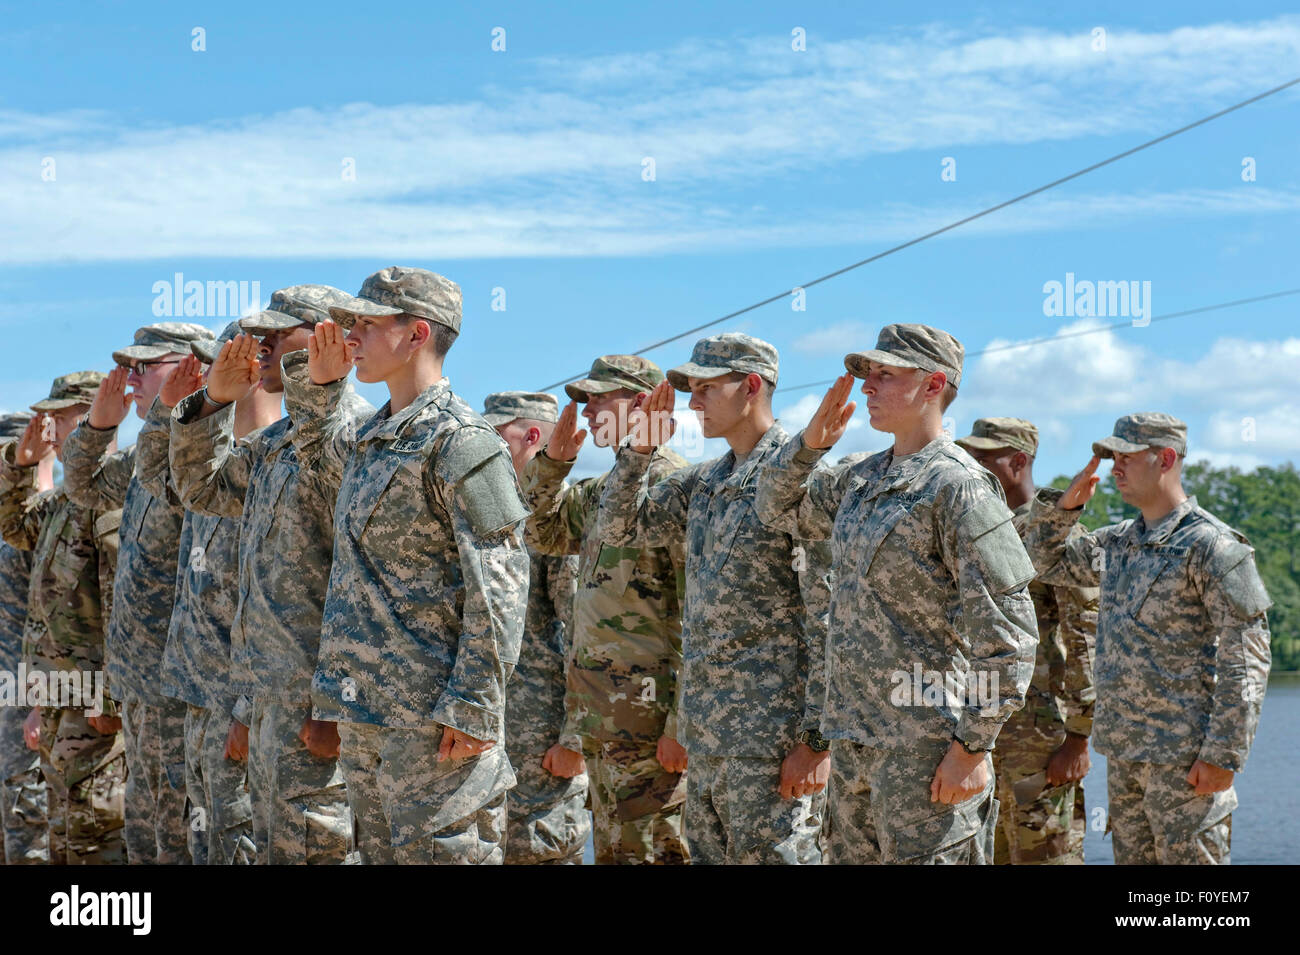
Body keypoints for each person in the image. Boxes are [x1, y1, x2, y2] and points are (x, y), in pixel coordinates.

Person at [754, 323, 1038, 864]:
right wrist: (810, 444)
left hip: (929, 752)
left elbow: (1009, 631)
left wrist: (972, 747)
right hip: (855, 746)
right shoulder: (858, 479)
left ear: (933, 386)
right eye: (867, 375)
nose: (867, 388)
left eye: (885, 375)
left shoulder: (959, 486)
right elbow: (776, 508)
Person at [293, 266, 530, 864]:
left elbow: (499, 587)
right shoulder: (371, 439)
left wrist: (474, 706)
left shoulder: (462, 442)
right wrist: (321, 391)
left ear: (417, 334)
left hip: (433, 724)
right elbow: (318, 484)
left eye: (369, 325)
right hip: (368, 713)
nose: (353, 338)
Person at [594, 334, 835, 864]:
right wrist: (639, 449)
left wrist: (816, 740)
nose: (693, 401)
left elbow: (828, 619)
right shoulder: (704, 483)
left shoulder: (801, 480)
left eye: (706, 387)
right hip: (710, 737)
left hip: (773, 741)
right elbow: (616, 529)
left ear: (751, 386)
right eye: (690, 389)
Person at [169, 288, 373, 864]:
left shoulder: (359, 435)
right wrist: (212, 403)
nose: (262, 346)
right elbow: (201, 489)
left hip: (318, 706)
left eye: (277, 335)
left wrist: (334, 706)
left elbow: (358, 581)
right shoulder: (274, 444)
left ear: (327, 335)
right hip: (267, 701)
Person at [1023, 413, 1272, 865]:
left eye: (1127, 457)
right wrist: (1063, 512)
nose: (1115, 468)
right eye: (1111, 457)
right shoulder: (1116, 543)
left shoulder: (1212, 546)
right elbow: (1040, 561)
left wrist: (1223, 753)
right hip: (1125, 757)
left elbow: (1248, 658)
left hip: (1186, 762)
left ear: (1167, 458)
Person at [523, 355, 690, 865]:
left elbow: (698, 613)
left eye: (600, 397)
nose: (588, 408)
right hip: (603, 718)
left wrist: (680, 724)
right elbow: (538, 531)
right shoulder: (600, 491)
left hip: (650, 721)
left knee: (655, 854)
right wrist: (553, 464)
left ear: (641, 403)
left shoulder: (675, 487)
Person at [61, 322, 213, 864]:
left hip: (182, 684)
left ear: (193, 365)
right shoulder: (147, 452)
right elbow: (81, 485)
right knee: (146, 837)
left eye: (147, 366)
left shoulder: (210, 450)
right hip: (140, 681)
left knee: (180, 837)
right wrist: (100, 423)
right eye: (130, 368)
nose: (133, 379)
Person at [138, 322, 281, 863]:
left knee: (241, 847)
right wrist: (178, 410)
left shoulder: (275, 461)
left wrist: (246, 707)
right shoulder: (206, 464)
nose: (201, 377)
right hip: (198, 696)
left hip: (247, 704)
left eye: (216, 364)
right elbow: (155, 476)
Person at [956, 417, 1098, 864]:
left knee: (1047, 857)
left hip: (1041, 742)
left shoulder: (1060, 536)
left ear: (1018, 462)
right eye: (969, 455)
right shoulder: (981, 533)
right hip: (981, 739)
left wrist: (1078, 739)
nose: (971, 466)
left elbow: (1085, 636)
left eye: (983, 457)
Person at [0, 372, 126, 864]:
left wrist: (111, 699)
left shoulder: (108, 495)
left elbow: (120, 604)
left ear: (97, 417)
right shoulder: (59, 504)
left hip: (92, 701)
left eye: (61, 419)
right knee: (64, 835)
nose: (49, 430)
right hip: (57, 701)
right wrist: (21, 464)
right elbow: (12, 523)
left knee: (98, 831)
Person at [481, 391, 590, 865]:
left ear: (530, 437)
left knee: (541, 851)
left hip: (543, 743)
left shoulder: (558, 522)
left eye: (494, 436)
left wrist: (575, 740)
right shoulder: (489, 514)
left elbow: (588, 637)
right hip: (492, 739)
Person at [0, 412, 49, 865]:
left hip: (25, 693)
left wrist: (39, 700)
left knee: (27, 809)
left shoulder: (38, 524)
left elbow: (51, 616)